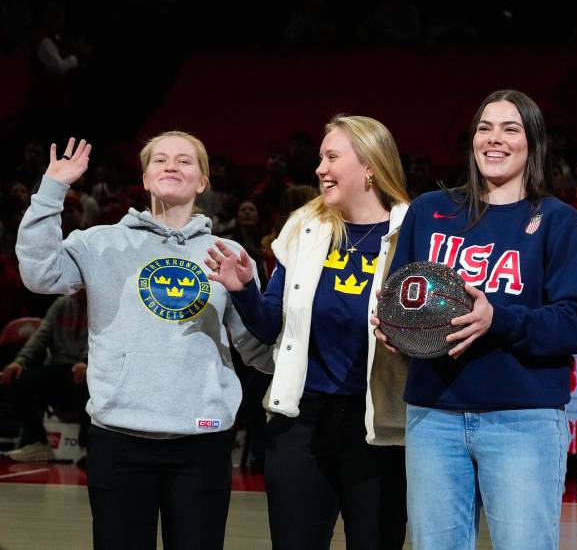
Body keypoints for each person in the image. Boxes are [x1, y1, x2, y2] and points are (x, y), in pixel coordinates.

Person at [16, 133, 273, 550]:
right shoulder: (98, 242)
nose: (172, 166)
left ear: (203, 181)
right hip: (119, 438)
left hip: (202, 440)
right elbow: (39, 273)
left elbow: (256, 349)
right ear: (146, 176)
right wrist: (52, 190)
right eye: (161, 160)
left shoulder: (227, 253)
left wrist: (260, 308)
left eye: (185, 161)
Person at [376, 89, 577, 550]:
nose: (494, 140)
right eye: (484, 128)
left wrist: (498, 319)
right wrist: (396, 328)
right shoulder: (429, 211)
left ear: (533, 143)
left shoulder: (559, 221)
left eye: (510, 129)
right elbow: (402, 295)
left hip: (523, 418)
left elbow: (576, 323)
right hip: (433, 414)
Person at [207, 115, 410, 550]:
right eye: (321, 157)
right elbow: (271, 328)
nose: (320, 168)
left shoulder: (412, 232)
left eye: (332, 157)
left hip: (376, 426)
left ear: (370, 166)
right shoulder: (306, 225)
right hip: (300, 421)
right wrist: (243, 290)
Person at [1, 291, 89, 462]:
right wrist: (19, 361)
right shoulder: (62, 304)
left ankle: (88, 448)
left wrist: (86, 361)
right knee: (17, 379)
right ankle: (37, 442)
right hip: (58, 367)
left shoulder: (101, 306)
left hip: (88, 368)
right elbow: (41, 335)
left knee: (87, 382)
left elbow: (99, 339)